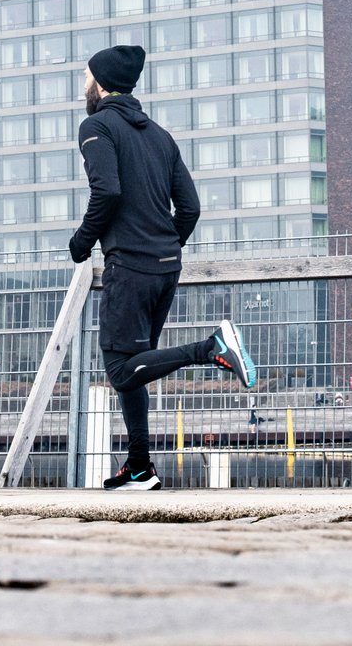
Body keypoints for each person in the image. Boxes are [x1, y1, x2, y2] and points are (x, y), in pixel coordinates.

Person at [68, 44, 256, 491]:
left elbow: (107, 191)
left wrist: (81, 243)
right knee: (137, 367)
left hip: (130, 267)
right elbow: (189, 208)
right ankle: (139, 467)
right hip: (165, 266)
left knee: (118, 370)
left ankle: (211, 347)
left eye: (85, 78)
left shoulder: (95, 127)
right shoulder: (160, 135)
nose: (83, 87)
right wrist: (165, 246)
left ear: (100, 83)